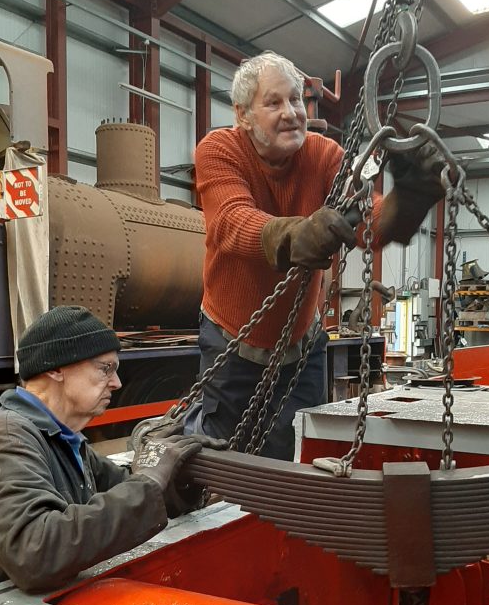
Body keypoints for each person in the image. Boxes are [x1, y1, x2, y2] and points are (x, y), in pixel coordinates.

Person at [184, 50, 449, 460]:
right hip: (232, 346)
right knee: (225, 463)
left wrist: (407, 203)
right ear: (243, 115)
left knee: (294, 457)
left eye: (295, 100)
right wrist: (294, 233)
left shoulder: (325, 156)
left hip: (300, 349)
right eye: (273, 103)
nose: (291, 113)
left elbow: (365, 221)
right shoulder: (219, 150)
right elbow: (231, 223)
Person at [0, 305, 221, 601]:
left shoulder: (65, 439)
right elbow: (34, 552)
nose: (117, 383)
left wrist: (178, 479)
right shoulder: (4, 439)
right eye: (104, 368)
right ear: (56, 369)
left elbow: (124, 490)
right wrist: (149, 480)